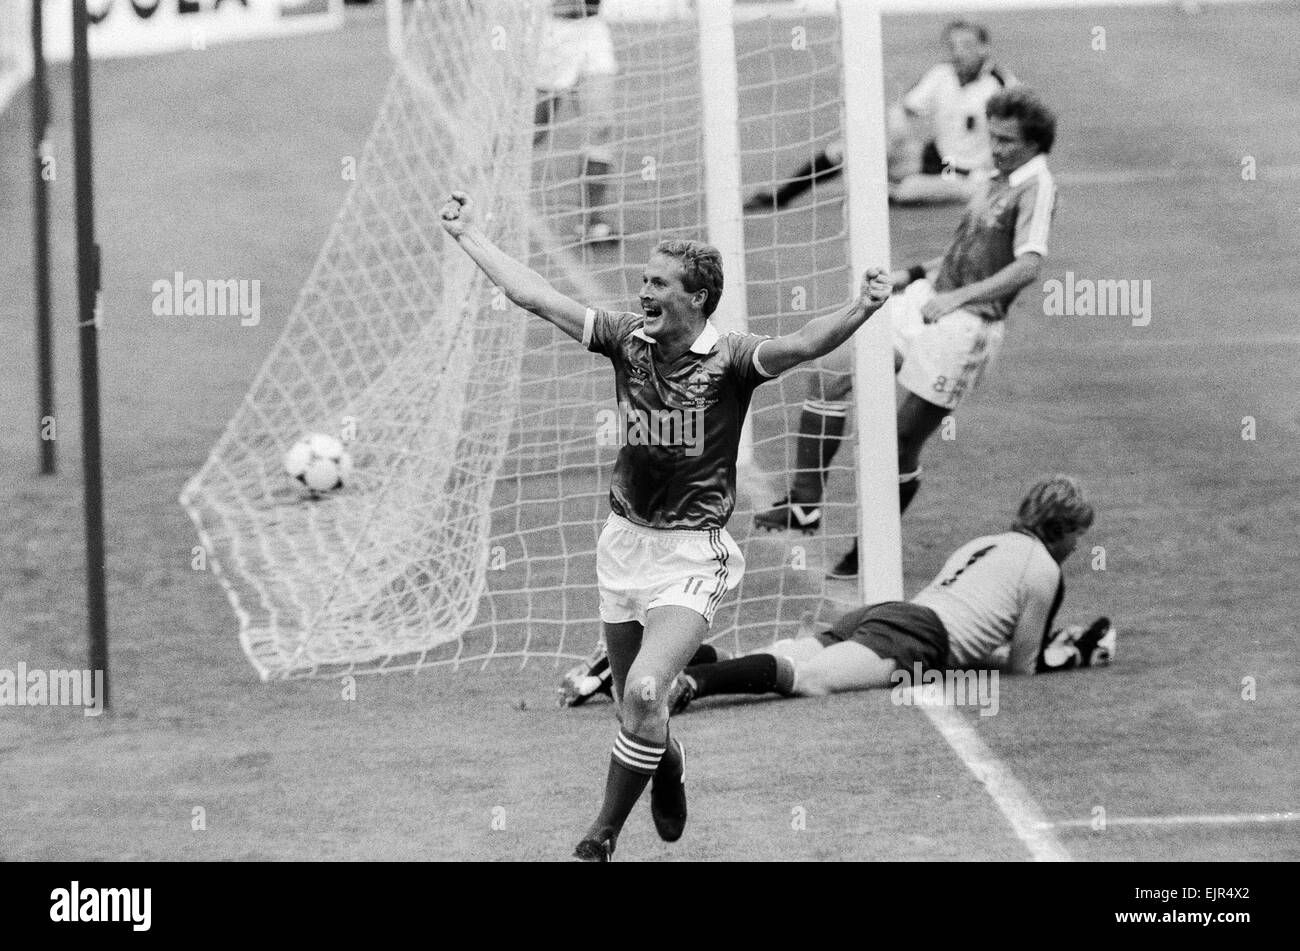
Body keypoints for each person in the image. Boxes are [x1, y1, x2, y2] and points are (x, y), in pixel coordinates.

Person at [438, 191, 893, 861]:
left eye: (657, 282)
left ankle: (600, 835)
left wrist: (863, 306)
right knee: (634, 705)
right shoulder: (627, 341)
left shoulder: (732, 359)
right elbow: (535, 297)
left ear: (697, 297)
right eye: (644, 279)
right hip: (623, 546)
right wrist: (468, 233)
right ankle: (667, 756)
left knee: (649, 688)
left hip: (691, 554)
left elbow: (800, 344)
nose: (641, 289)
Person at [754, 87, 1059, 580]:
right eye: (993, 137)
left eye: (1006, 140)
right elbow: (971, 252)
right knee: (831, 368)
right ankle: (804, 503)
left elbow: (1027, 266)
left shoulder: (1036, 186)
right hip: (926, 301)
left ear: (1033, 143)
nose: (996, 147)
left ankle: (871, 548)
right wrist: (914, 274)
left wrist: (959, 298)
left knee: (898, 443)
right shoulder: (994, 179)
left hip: (965, 329)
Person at [671, 476, 1114, 710]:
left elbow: (978, 636)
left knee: (788, 652)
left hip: (891, 614)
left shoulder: (986, 543)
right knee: (810, 680)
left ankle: (685, 661)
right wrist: (1071, 656)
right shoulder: (1043, 569)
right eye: (1077, 533)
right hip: (917, 637)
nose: (1077, 545)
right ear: (1059, 529)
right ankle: (695, 682)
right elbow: (1022, 667)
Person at [744, 20, 1015, 212]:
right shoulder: (942, 74)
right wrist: (895, 130)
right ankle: (780, 197)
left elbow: (1023, 135)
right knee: (845, 151)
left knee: (908, 191)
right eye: (953, 45)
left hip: (969, 176)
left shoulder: (1002, 86)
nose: (958, 52)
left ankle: (877, 188)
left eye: (967, 45)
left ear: (984, 48)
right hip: (934, 156)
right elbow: (904, 108)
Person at [534, 0, 620, 242]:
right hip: (552, 30)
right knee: (533, 131)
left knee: (601, 126)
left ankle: (592, 221)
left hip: (592, 28)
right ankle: (481, 179)